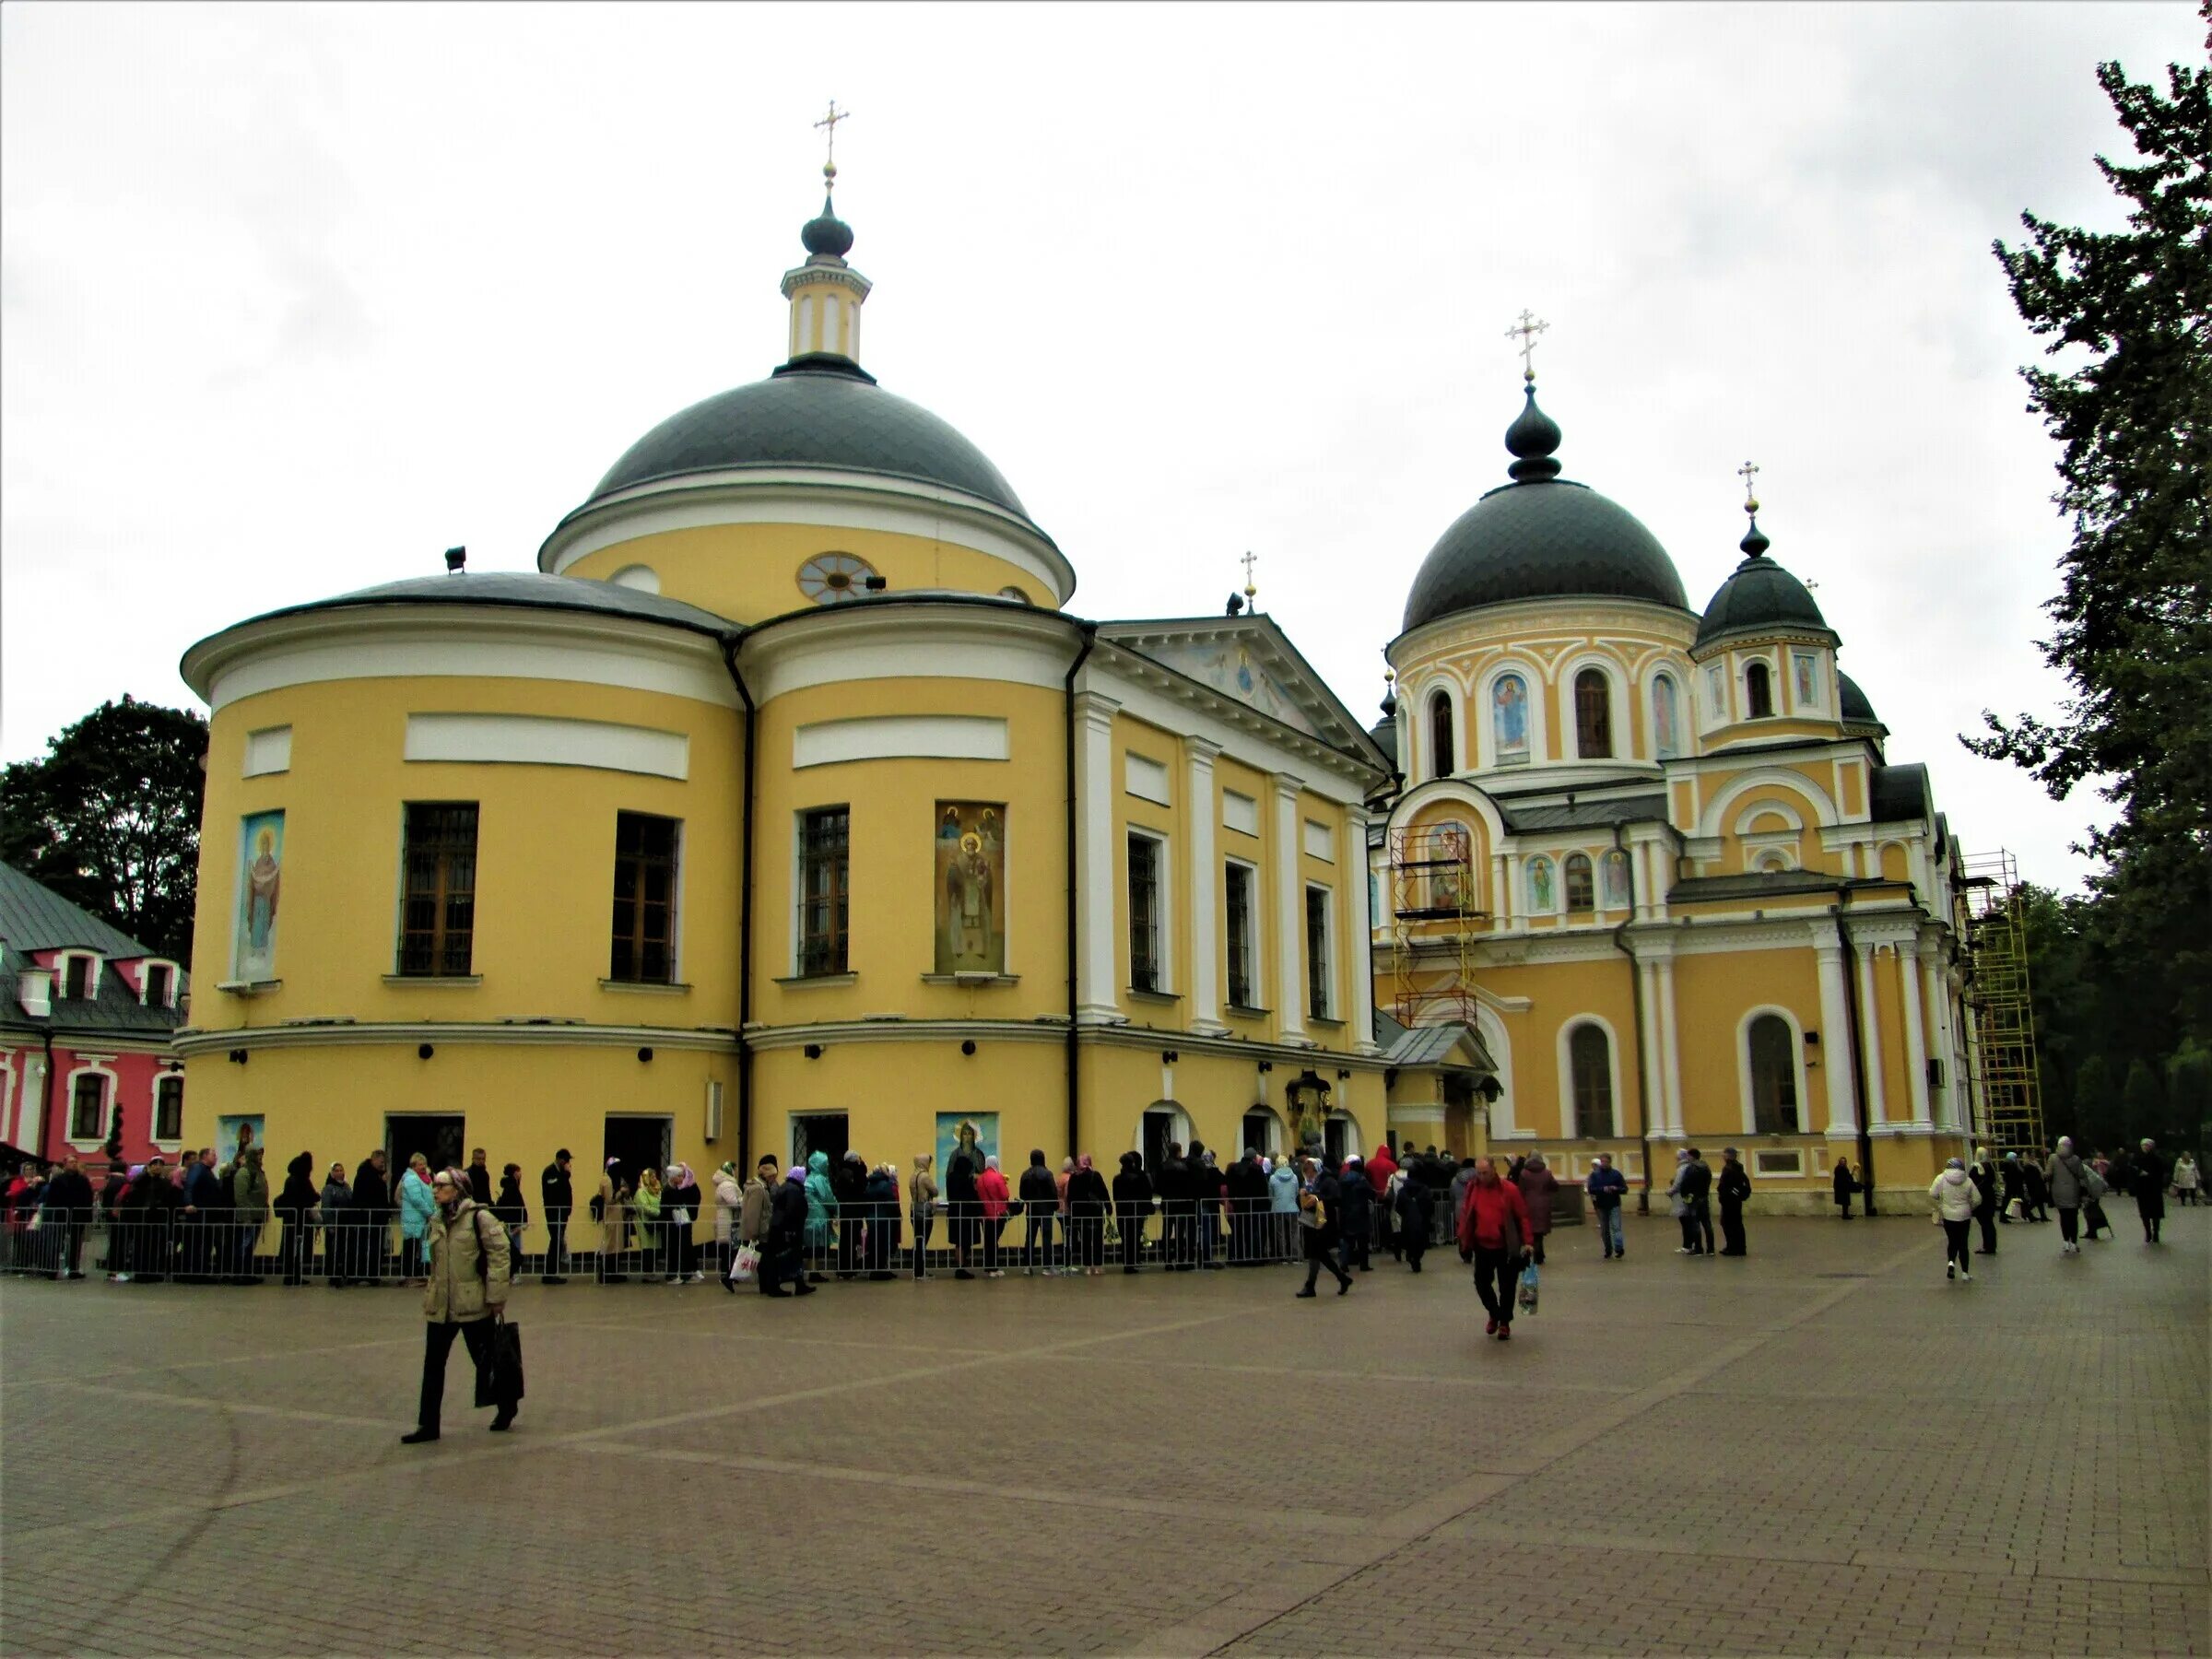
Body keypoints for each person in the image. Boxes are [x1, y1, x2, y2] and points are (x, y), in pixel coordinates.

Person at [399, 1168, 513, 1442]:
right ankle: (428, 1425)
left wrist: (497, 1297)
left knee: (485, 1363)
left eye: (441, 1186)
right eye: (435, 1186)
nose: (435, 1191)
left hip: (473, 1304)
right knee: (433, 1366)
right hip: (441, 1306)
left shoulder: (479, 1217)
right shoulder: (437, 1219)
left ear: (458, 1189)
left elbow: (500, 1254)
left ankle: (507, 1406)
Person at [1457, 1158, 1533, 1339]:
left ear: (1494, 1170)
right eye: (1479, 1173)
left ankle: (1504, 1323)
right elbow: (1466, 1212)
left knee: (1507, 1287)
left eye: (1485, 1173)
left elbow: (1523, 1216)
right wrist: (1463, 1235)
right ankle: (1494, 1313)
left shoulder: (1509, 1189)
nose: (1482, 1177)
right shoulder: (1473, 1188)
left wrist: (1528, 1241)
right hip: (1482, 1245)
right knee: (1481, 1284)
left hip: (1505, 1245)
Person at [1294, 1157, 1353, 1298]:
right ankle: (1342, 1279)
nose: (1309, 1174)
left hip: (1324, 1223)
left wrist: (1316, 1198)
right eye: (1306, 1171)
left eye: (1311, 1171)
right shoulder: (1309, 1182)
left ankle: (1311, 1286)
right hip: (1311, 1222)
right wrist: (1302, 1197)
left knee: (1317, 1253)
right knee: (1320, 1255)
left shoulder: (1328, 1181)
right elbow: (1304, 1200)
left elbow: (1335, 1198)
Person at [759, 1166, 815, 1297]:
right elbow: (792, 1210)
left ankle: (798, 1284)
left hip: (779, 1226)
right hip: (787, 1229)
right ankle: (777, 1287)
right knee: (787, 1256)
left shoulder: (785, 1186)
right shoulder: (793, 1190)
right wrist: (792, 1229)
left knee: (786, 1256)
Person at [36, 1157, 92, 1281]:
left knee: (75, 1244)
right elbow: (51, 1200)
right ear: (65, 1164)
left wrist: (87, 1216)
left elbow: (88, 1199)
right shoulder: (58, 1180)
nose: (74, 1164)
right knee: (56, 1243)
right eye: (71, 1162)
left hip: (77, 1217)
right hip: (60, 1216)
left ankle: (73, 1269)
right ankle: (52, 1270)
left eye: (75, 1162)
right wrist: (53, 1214)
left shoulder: (83, 1180)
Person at [1928, 1156, 1977, 1282]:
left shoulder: (1941, 1178)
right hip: (1964, 1216)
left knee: (1952, 1241)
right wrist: (1970, 1206)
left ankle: (1951, 1263)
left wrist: (1941, 1204)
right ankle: (1965, 1273)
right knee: (1963, 1244)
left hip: (1948, 1216)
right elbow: (1977, 1199)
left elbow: (1932, 1193)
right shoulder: (1968, 1180)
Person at [276, 1152, 319, 1286]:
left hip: (291, 1218)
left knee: (290, 1247)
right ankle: (295, 1275)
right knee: (298, 1248)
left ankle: (290, 1275)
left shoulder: (291, 1179)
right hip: (300, 1218)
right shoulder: (302, 1180)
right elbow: (309, 1196)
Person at [2047, 1136, 2091, 1255]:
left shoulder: (2052, 1158)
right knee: (2073, 1218)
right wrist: (2087, 1192)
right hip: (2073, 1193)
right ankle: (2074, 1242)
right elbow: (2082, 1176)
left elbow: (2048, 1175)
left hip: (2058, 1193)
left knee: (2064, 1217)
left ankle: (2066, 1242)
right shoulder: (2076, 1159)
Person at [1018, 1148, 1059, 1276]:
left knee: (1030, 1237)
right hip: (1046, 1210)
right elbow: (1053, 1192)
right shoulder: (1047, 1174)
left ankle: (1027, 1266)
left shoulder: (1025, 1174)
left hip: (1031, 1209)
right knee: (1047, 1238)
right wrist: (1055, 1206)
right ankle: (1047, 1267)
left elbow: (1022, 1194)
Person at [1067, 1154, 1110, 1275]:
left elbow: (1070, 1196)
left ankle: (1087, 1266)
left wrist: (1073, 1211)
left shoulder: (1074, 1178)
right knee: (1097, 1239)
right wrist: (1109, 1207)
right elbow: (1103, 1192)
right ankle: (1097, 1266)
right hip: (1095, 1212)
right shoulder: (1095, 1176)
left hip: (1080, 1214)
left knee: (1085, 1240)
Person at [397, 1153, 435, 1286]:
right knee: (411, 1248)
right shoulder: (411, 1179)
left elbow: (430, 1197)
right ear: (413, 1166)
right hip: (413, 1218)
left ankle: (415, 1274)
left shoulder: (425, 1178)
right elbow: (416, 1199)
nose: (424, 1166)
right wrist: (430, 1213)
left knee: (417, 1249)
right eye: (420, 1164)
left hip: (421, 1219)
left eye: (424, 1163)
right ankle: (408, 1276)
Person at [1515, 1153, 1559, 1265]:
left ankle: (1537, 1254)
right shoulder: (1547, 1173)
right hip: (1544, 1204)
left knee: (1533, 1231)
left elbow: (1521, 1190)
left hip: (1528, 1203)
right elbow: (1555, 1186)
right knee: (1539, 1232)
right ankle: (1539, 1255)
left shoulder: (1524, 1173)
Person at [1112, 1151, 1152, 1274]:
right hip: (1136, 1211)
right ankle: (1133, 1262)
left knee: (1125, 1238)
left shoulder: (1117, 1179)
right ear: (1132, 1164)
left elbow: (1115, 1197)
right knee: (1134, 1237)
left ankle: (1126, 1263)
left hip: (1122, 1212)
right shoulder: (1139, 1178)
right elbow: (1147, 1194)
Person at [663, 1162, 703, 1284]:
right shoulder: (668, 1190)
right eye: (679, 1176)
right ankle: (672, 1275)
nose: (681, 1178)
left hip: (680, 1221)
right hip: (672, 1223)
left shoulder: (676, 1189)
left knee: (682, 1246)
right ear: (673, 1177)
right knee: (673, 1249)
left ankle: (684, 1273)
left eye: (682, 1176)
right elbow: (666, 1207)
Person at [830, 1150, 868, 1279]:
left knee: (846, 1239)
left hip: (846, 1211)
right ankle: (849, 1269)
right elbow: (862, 1186)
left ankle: (844, 1268)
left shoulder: (842, 1171)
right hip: (854, 1210)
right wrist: (862, 1166)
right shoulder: (856, 1172)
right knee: (852, 1240)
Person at [1335, 1156, 1374, 1277]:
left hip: (1346, 1213)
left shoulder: (1342, 1180)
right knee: (1363, 1241)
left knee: (1348, 1241)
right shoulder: (1362, 1180)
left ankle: (1344, 1263)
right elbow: (1371, 1193)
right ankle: (1364, 1265)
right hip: (1361, 1214)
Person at [1155, 1142, 1193, 1269]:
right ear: (1178, 1152)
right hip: (1181, 1203)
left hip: (1167, 1202)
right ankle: (1181, 1260)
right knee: (1180, 1232)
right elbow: (1188, 1186)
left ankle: (1167, 1260)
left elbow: (1157, 1186)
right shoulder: (1184, 1167)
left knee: (1167, 1231)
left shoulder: (1162, 1166)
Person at [862, 1163, 901, 1279]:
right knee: (883, 1244)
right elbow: (892, 1201)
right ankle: (881, 1270)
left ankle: (875, 1269)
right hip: (884, 1218)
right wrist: (896, 1215)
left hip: (871, 1218)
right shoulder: (885, 1185)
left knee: (874, 1244)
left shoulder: (869, 1185)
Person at [539, 1149, 573, 1284]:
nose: (567, 1163)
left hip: (563, 1213)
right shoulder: (549, 1172)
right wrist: (566, 1175)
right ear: (559, 1159)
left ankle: (552, 1272)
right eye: (566, 1160)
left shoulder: (560, 1173)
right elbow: (555, 1189)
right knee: (556, 1241)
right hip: (554, 1213)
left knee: (557, 1241)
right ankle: (549, 1274)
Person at [1587, 1152, 1629, 1260]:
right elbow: (1591, 1189)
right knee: (1604, 1229)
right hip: (1601, 1205)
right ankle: (1608, 1249)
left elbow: (1624, 1189)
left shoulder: (1616, 1174)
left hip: (1614, 1203)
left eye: (1606, 1161)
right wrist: (1602, 1189)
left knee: (1616, 1227)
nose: (1604, 1163)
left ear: (1610, 1162)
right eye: (1602, 1161)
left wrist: (1616, 1188)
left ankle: (1619, 1248)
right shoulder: (1595, 1175)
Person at [946, 1154, 980, 1278]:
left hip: (954, 1212)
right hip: (965, 1213)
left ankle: (959, 1266)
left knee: (958, 1241)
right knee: (964, 1241)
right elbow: (972, 1196)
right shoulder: (965, 1180)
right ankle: (961, 1267)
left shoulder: (950, 1177)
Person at [976, 1154, 1011, 1277]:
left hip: (985, 1215)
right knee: (994, 1241)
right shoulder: (998, 1177)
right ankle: (994, 1267)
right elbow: (1005, 1195)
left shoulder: (980, 1179)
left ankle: (989, 1267)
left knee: (989, 1241)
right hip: (998, 1214)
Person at [1394, 1160, 1431, 1273]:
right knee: (1421, 1242)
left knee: (1409, 1241)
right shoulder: (1425, 1189)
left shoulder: (1402, 1191)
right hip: (1422, 1220)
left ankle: (1411, 1256)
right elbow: (1430, 1205)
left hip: (1407, 1220)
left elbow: (1398, 1207)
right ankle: (1417, 1258)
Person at [596, 1158, 629, 1283]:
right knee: (610, 1245)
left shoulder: (615, 1179)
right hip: (611, 1217)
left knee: (616, 1245)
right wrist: (620, 1192)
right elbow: (610, 1200)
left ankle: (613, 1273)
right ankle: (606, 1274)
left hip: (617, 1217)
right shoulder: (607, 1180)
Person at [321, 1162, 353, 1286]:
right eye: (337, 1170)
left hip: (346, 1223)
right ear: (332, 1173)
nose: (339, 1172)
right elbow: (326, 1207)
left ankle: (344, 1272)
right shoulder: (329, 1188)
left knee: (344, 1250)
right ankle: (333, 1275)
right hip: (335, 1223)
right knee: (333, 1250)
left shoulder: (347, 1187)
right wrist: (330, 1224)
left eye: (341, 1170)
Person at [2131, 1139, 2169, 1244]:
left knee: (2155, 1213)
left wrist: (2150, 1175)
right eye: (2143, 1145)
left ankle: (2156, 1232)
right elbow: (2131, 1169)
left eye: (2147, 1145)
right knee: (2144, 1213)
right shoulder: (2136, 1158)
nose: (2145, 1147)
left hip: (2154, 1189)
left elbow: (2161, 1172)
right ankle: (2148, 1233)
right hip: (2142, 1189)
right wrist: (2139, 1173)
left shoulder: (2157, 1159)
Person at [493, 1164, 529, 1272]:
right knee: (515, 1249)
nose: (520, 1174)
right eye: (519, 1171)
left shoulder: (508, 1187)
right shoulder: (513, 1188)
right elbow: (518, 1205)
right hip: (514, 1223)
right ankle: (513, 1273)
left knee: (512, 1248)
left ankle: (512, 1272)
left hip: (511, 1222)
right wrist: (522, 1221)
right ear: (515, 1173)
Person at [908, 1154, 937, 1280]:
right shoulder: (925, 1176)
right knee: (923, 1241)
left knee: (918, 1239)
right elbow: (935, 1191)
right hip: (924, 1211)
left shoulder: (913, 1175)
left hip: (914, 1210)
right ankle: (920, 1271)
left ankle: (917, 1269)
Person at [1717, 1149, 1752, 1256]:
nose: (1722, 1156)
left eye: (1724, 1154)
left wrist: (1723, 1191)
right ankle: (1738, 1247)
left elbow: (1725, 1185)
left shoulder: (1729, 1169)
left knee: (1728, 1223)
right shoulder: (1738, 1168)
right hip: (1735, 1200)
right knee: (1736, 1224)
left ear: (1728, 1156)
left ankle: (1733, 1247)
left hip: (1729, 1200)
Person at [631, 1165, 664, 1281]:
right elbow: (644, 1207)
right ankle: (647, 1274)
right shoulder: (641, 1192)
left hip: (656, 1224)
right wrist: (659, 1212)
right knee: (648, 1249)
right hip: (646, 1224)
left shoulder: (657, 1191)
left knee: (655, 1249)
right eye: (652, 1177)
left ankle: (651, 1272)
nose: (655, 1179)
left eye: (655, 1176)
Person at [1267, 1153, 1300, 1261]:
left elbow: (1270, 1195)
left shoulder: (1272, 1178)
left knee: (1280, 1233)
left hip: (1277, 1208)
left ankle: (1283, 1256)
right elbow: (1296, 1192)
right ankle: (1295, 1255)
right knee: (1294, 1232)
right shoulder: (1294, 1177)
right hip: (1293, 1208)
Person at [1968, 1147, 2000, 1254]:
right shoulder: (1990, 1167)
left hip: (1980, 1199)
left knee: (1984, 1223)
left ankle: (1987, 1246)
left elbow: (1971, 1183)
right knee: (1989, 1222)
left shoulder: (1976, 1168)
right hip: (1990, 1198)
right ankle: (1991, 1245)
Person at [712, 1161, 742, 1277]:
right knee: (728, 1249)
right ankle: (727, 1273)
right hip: (727, 1219)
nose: (736, 1172)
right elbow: (733, 1202)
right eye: (735, 1169)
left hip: (725, 1217)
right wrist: (744, 1200)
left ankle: (727, 1273)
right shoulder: (727, 1185)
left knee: (727, 1249)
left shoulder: (725, 1184)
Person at [1451, 1157, 1480, 1260]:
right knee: (1476, 1231)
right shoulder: (1479, 1177)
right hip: (1475, 1208)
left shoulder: (1455, 1180)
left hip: (1460, 1209)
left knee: (1462, 1232)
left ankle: (1465, 1253)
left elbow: (1452, 1196)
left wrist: (1453, 1207)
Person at [1667, 1149, 1697, 1254]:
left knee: (1685, 1222)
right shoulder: (1689, 1167)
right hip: (1687, 1196)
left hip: (1681, 1197)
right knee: (1688, 1222)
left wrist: (1670, 1191)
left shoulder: (1681, 1168)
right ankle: (1690, 1244)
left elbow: (1678, 1183)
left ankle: (1687, 1245)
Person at [2022, 1155, 2050, 1223]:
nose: (2033, 1156)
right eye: (2032, 1155)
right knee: (2036, 1201)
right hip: (2035, 1186)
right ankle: (2025, 1211)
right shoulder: (2028, 1165)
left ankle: (2043, 1216)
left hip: (2038, 1184)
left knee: (2039, 1201)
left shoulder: (2034, 1163)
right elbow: (2030, 1178)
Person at [465, 1147, 494, 1214]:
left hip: (484, 1208)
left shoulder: (485, 1174)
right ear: (473, 1159)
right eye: (478, 1159)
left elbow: (487, 1192)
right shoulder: (468, 1174)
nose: (481, 1161)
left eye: (483, 1159)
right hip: (471, 1208)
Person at [1999, 1153, 2026, 1222]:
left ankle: (2004, 1216)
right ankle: (2026, 1214)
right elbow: (2019, 1174)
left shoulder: (2006, 1164)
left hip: (2010, 1185)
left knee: (2007, 1200)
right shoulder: (2013, 1165)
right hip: (2015, 1185)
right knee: (2020, 1198)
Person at [1833, 1157, 1857, 1221]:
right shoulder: (1839, 1168)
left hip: (1843, 1187)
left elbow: (1848, 1176)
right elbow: (1846, 1177)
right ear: (1840, 1162)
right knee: (1845, 1201)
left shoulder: (1842, 1168)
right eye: (1842, 1161)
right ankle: (1845, 1215)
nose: (1843, 1162)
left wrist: (1853, 1170)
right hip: (1842, 1187)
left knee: (1845, 1201)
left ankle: (1845, 1214)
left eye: (1844, 1161)